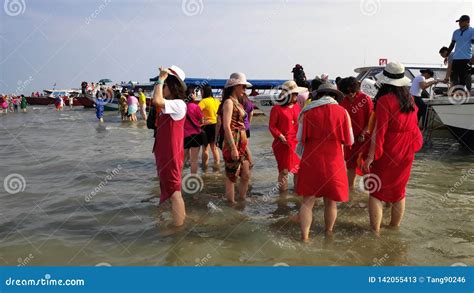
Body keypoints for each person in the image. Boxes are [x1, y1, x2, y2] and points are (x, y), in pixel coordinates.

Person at [364, 62, 423, 235]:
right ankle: (394, 228)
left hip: (390, 147)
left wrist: (370, 156)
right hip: (407, 148)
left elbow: (378, 131)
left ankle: (375, 233)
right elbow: (415, 126)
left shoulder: (384, 100)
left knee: (376, 192)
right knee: (399, 191)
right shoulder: (410, 99)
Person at [296, 83, 354, 241]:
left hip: (311, 160)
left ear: (318, 95)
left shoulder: (307, 112)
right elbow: (350, 140)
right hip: (333, 161)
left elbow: (298, 138)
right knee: (331, 202)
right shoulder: (343, 112)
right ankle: (328, 234)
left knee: (307, 202)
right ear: (334, 96)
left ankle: (305, 238)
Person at [152, 65, 188, 227]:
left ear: (172, 86)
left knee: (175, 192)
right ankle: (174, 219)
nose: (162, 87)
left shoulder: (179, 104)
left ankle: (178, 228)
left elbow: (157, 100)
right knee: (167, 188)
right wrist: (160, 81)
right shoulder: (171, 105)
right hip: (164, 154)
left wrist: (161, 78)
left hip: (171, 155)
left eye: (165, 85)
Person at [219, 72, 252, 204]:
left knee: (246, 174)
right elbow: (226, 126)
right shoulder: (228, 102)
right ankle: (231, 203)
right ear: (235, 86)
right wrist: (233, 148)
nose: (245, 90)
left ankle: (242, 200)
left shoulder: (237, 102)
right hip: (233, 141)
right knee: (231, 175)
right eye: (243, 86)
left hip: (241, 142)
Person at [269, 80, 305, 192]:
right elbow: (272, 126)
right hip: (282, 144)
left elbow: (301, 125)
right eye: (294, 94)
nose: (297, 96)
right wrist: (279, 136)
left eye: (296, 93)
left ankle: (297, 193)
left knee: (298, 170)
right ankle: (282, 198)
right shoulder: (276, 109)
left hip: (296, 143)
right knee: (284, 172)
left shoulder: (297, 107)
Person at [338, 77, 374, 189]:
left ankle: (369, 191)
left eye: (352, 92)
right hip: (349, 139)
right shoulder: (342, 101)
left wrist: (363, 133)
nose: (350, 95)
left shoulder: (365, 99)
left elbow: (371, 120)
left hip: (364, 138)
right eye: (347, 93)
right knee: (350, 165)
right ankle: (350, 190)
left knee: (366, 165)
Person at [444, 15, 474, 92]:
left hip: (466, 58)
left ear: (467, 22)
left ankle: (468, 92)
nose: (459, 23)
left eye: (461, 21)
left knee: (466, 76)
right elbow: (452, 44)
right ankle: (458, 91)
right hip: (456, 58)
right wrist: (447, 55)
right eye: (459, 22)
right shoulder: (455, 32)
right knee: (454, 76)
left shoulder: (472, 31)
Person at [184, 86, 206, 174]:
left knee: (182, 159)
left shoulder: (182, 107)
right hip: (196, 135)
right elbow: (202, 121)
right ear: (192, 95)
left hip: (184, 135)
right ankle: (193, 179)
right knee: (194, 160)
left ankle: (177, 179)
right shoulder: (196, 107)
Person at [198, 85, 221, 168]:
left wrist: (201, 121)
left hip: (206, 126)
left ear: (204, 91)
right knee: (214, 148)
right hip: (216, 126)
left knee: (205, 148)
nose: (200, 93)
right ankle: (217, 166)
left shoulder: (203, 101)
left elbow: (195, 112)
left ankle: (205, 167)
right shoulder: (217, 101)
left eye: (201, 91)